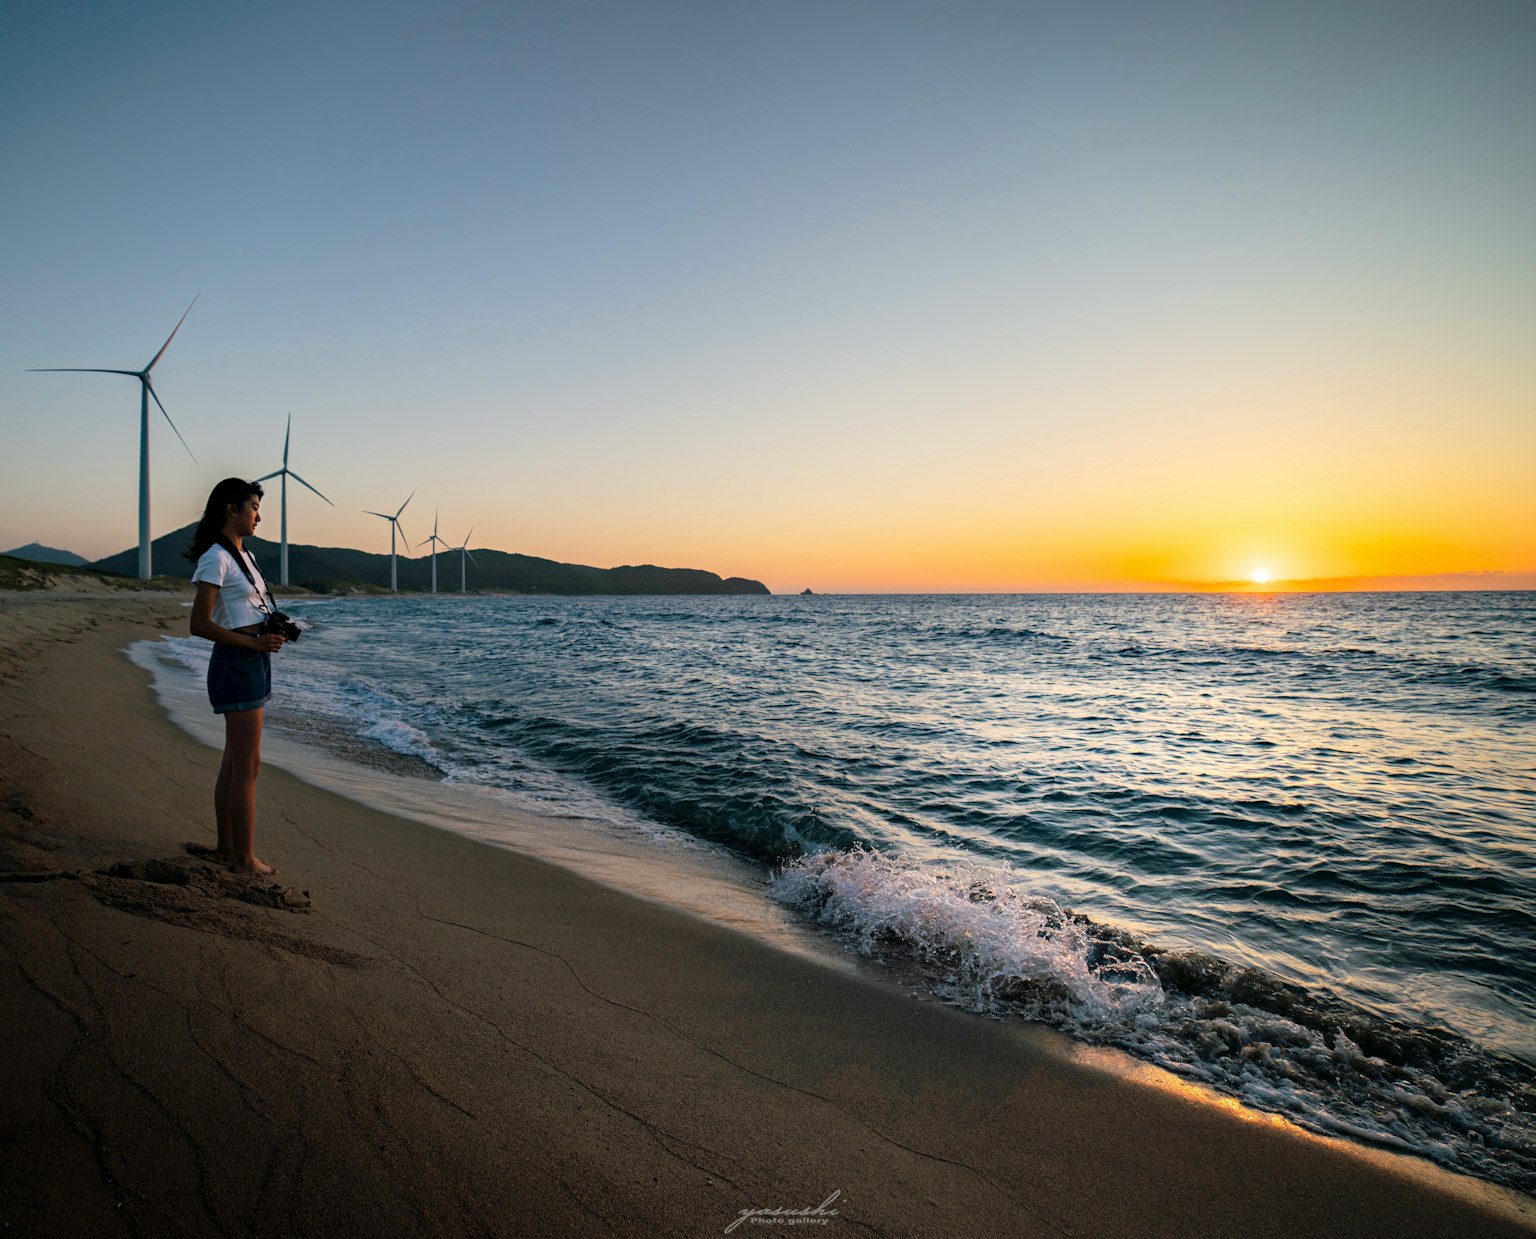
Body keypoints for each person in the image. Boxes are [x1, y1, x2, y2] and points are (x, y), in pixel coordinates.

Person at [186, 478, 287, 875]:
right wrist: (253, 645)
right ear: (231, 509)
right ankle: (243, 860)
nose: (258, 516)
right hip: (237, 660)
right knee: (247, 765)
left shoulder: (245, 555)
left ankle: (226, 848)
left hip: (252, 658)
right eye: (254, 507)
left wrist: (266, 636)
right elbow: (198, 623)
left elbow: (247, 611)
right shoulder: (217, 556)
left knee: (234, 761)